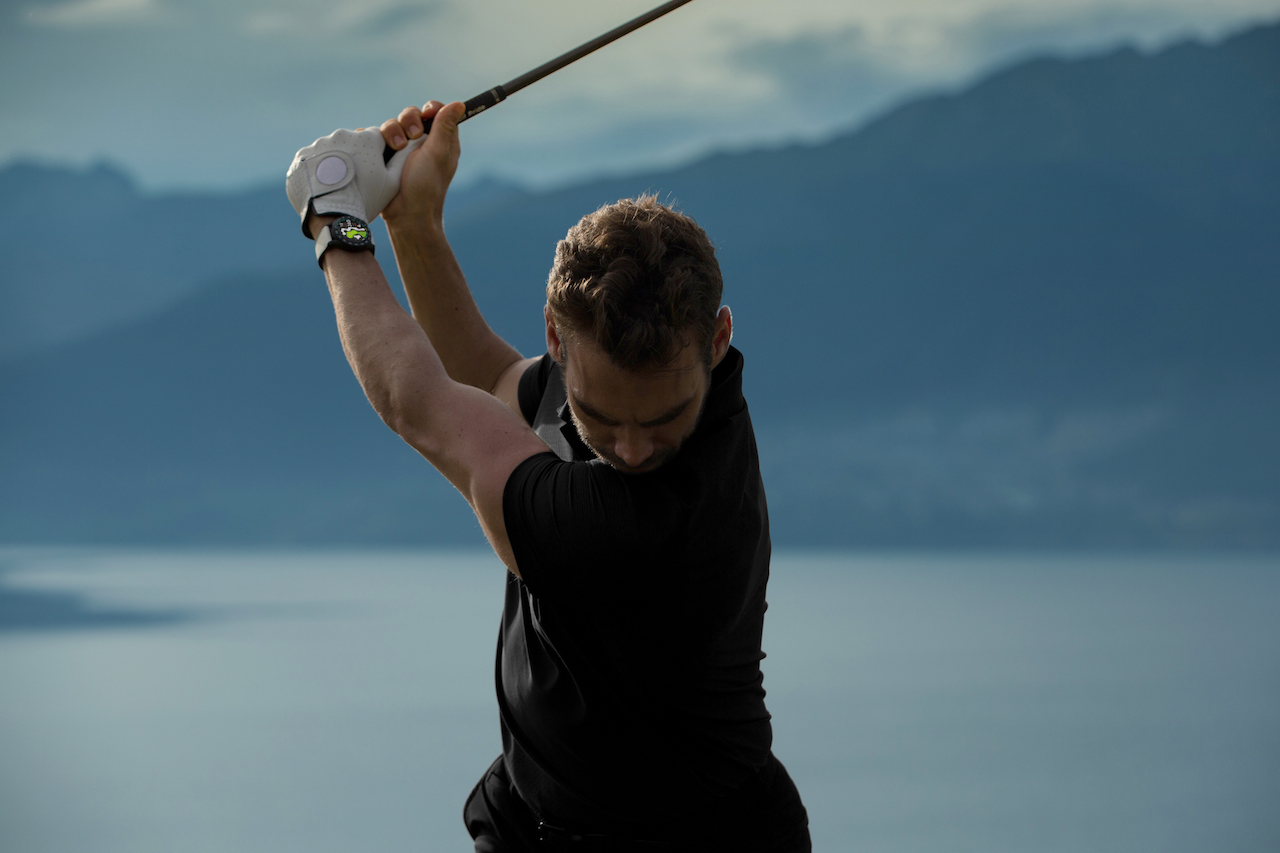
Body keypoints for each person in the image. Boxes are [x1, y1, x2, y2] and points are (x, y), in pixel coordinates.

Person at [286, 100, 810, 851]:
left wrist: (335, 218)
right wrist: (414, 221)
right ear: (557, 341)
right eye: (600, 416)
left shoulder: (653, 527)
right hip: (539, 820)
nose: (631, 450)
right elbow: (492, 380)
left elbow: (420, 405)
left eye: (664, 419)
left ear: (718, 339)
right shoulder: (641, 371)